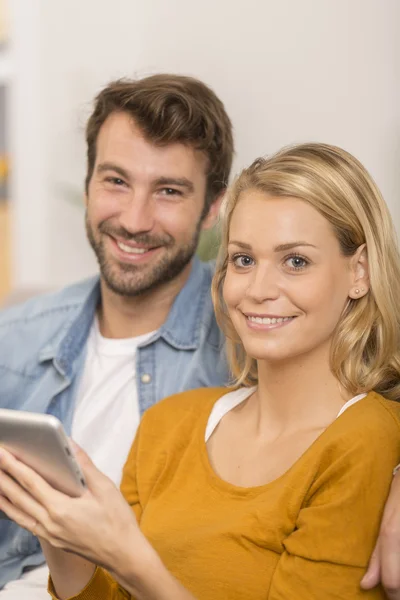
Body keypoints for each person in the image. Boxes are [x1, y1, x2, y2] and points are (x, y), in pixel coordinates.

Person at [1, 142, 400, 599]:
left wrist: (129, 558)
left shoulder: (365, 439)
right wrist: (59, 529)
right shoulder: (169, 423)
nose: (258, 289)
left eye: (296, 262)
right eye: (243, 260)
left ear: (360, 272)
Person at [0, 73, 234, 597]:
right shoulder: (13, 339)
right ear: (88, 183)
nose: (134, 219)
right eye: (116, 181)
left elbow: (367, 388)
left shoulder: (249, 343)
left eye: (169, 191)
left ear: (213, 207)